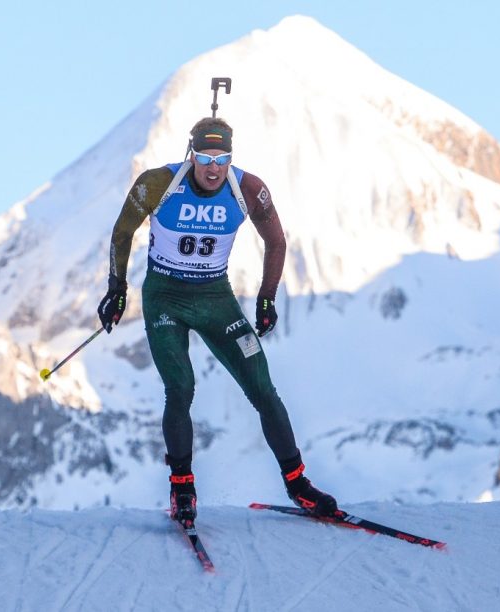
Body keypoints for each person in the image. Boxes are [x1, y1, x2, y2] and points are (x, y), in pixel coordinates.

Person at [98, 116, 338, 522]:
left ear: (231, 156)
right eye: (205, 157)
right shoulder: (159, 183)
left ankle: (299, 485)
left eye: (222, 157)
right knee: (181, 387)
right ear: (190, 155)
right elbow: (123, 233)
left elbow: (277, 241)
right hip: (166, 300)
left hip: (215, 299)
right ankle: (182, 489)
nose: (213, 167)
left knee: (262, 387)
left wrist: (266, 299)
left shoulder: (248, 189)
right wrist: (116, 289)